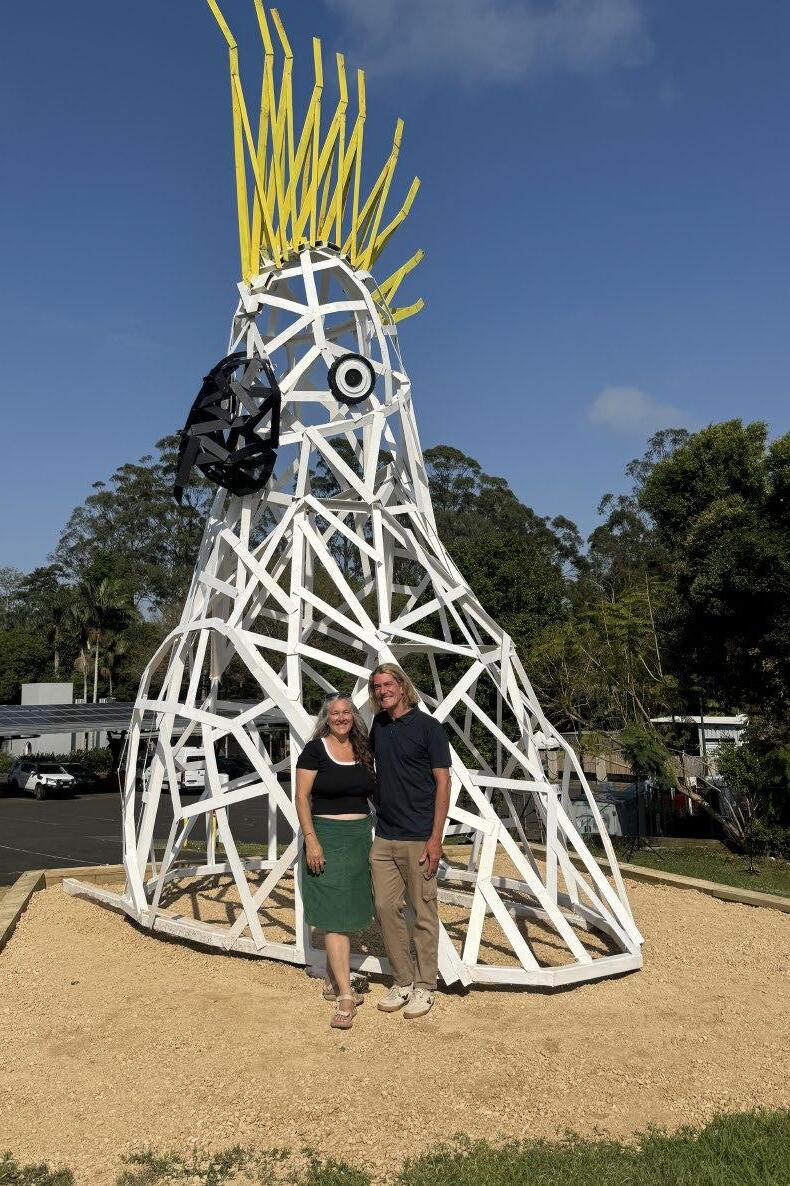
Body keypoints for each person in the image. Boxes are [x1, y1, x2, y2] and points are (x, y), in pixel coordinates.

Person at [368, 663, 451, 1018]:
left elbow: (443, 783)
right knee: (386, 909)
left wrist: (436, 838)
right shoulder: (379, 725)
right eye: (377, 686)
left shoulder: (429, 728)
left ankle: (426, 986)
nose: (382, 691)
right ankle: (402, 981)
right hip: (385, 835)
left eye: (388, 684)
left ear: (402, 686)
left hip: (419, 836)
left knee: (423, 912)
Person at [295, 696, 376, 1030]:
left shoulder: (364, 750)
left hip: (358, 838)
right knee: (334, 917)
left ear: (353, 716)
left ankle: (333, 980)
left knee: (347, 913)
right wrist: (311, 839)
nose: (341, 718)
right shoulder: (315, 750)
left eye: (346, 712)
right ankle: (345, 995)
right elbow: (301, 797)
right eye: (334, 713)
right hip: (326, 837)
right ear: (326, 719)